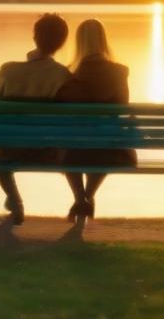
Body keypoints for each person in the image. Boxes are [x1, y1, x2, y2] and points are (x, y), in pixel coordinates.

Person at [0, 12, 72, 224]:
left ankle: (15, 201)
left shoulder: (7, 70)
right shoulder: (63, 75)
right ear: (62, 43)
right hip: (47, 151)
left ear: (35, 37)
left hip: (7, 149)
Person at [56, 18, 135, 221]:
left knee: (67, 145)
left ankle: (81, 199)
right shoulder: (119, 72)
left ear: (79, 42)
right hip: (111, 151)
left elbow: (62, 111)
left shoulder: (68, 75)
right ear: (103, 40)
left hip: (73, 151)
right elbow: (122, 107)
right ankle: (87, 197)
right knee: (106, 142)